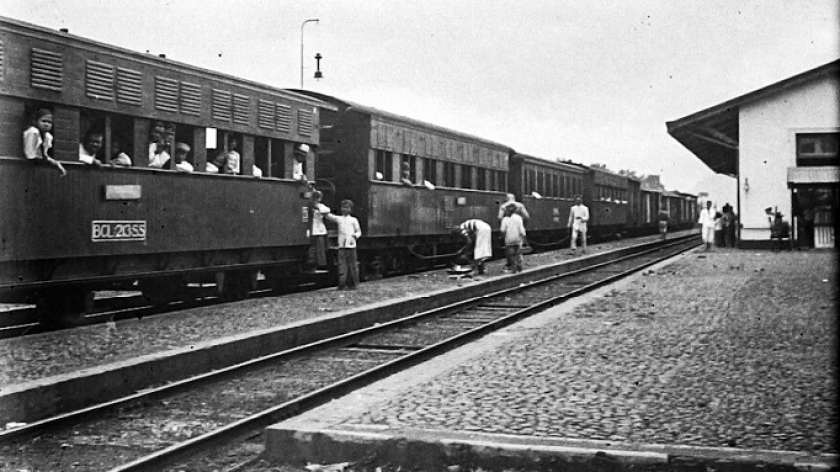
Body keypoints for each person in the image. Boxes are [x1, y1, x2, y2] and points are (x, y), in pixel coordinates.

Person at [325, 199, 361, 290]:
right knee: (342, 265)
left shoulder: (354, 220)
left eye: (347, 207)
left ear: (350, 209)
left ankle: (353, 284)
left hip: (351, 245)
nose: (345, 209)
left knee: (352, 265)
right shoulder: (339, 219)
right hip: (342, 245)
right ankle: (342, 284)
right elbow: (329, 216)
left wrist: (355, 236)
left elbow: (358, 231)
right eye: (343, 207)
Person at [22, 108, 66, 176]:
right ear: (35, 121)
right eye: (43, 121)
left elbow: (44, 156)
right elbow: (30, 156)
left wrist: (57, 164)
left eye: (49, 122)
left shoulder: (47, 136)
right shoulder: (33, 132)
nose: (47, 124)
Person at [500, 204, 526, 273]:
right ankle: (519, 265)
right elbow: (521, 229)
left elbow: (502, 230)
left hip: (509, 238)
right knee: (518, 252)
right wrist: (523, 236)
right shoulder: (518, 218)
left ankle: (514, 268)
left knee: (511, 254)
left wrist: (503, 237)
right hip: (518, 238)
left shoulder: (505, 219)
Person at [310, 190, 331, 270]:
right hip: (314, 227)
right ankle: (318, 263)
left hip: (320, 228)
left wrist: (318, 208)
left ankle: (321, 263)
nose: (317, 199)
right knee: (317, 247)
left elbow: (327, 210)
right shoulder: (310, 206)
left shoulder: (321, 206)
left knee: (322, 247)